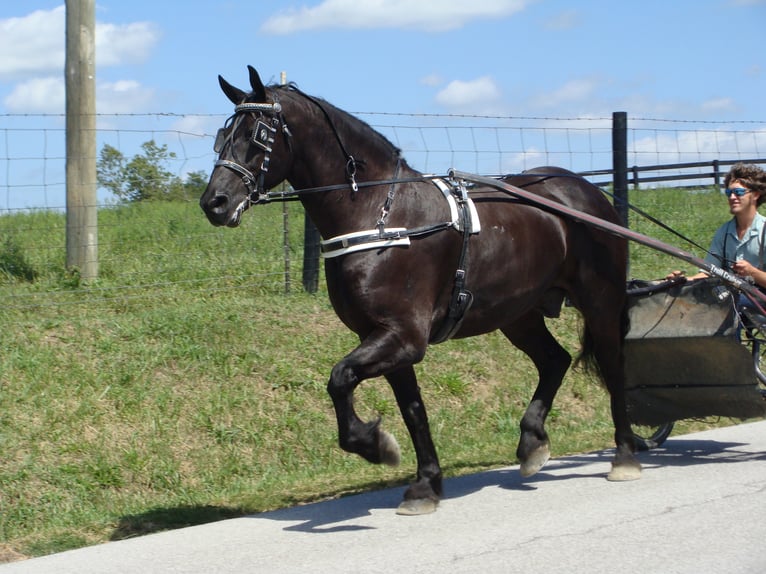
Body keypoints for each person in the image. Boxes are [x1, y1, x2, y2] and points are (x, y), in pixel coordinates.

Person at [668, 162, 766, 290]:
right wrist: (684, 281)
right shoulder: (723, 232)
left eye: (738, 192)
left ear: (755, 194)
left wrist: (752, 272)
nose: (732, 197)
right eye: (728, 192)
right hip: (730, 302)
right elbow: (709, 273)